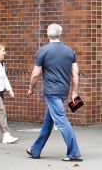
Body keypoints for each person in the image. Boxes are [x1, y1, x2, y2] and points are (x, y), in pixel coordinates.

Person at [26, 24, 82, 162]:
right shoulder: (70, 51)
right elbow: (75, 74)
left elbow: (35, 74)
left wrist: (31, 88)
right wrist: (74, 91)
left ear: (47, 34)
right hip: (63, 91)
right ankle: (35, 150)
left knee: (61, 121)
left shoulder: (43, 51)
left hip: (51, 92)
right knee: (48, 122)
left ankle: (74, 153)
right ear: (60, 34)